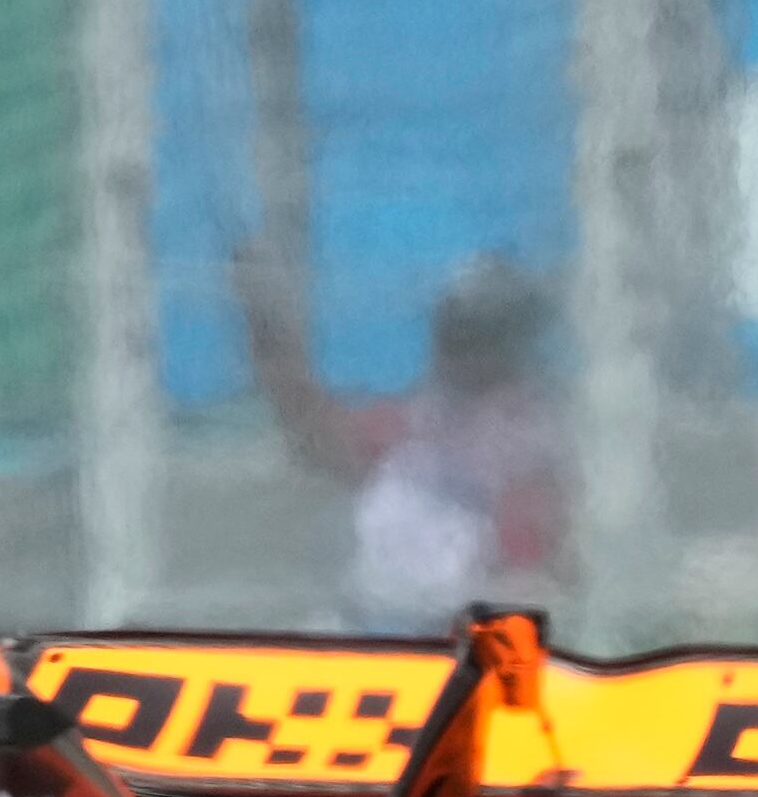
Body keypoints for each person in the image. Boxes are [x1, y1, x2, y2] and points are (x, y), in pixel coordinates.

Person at [241, 245, 566, 635]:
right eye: (455, 332)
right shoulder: (418, 417)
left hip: (459, 633)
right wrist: (266, 329)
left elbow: (531, 569)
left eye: (475, 336)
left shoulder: (530, 441)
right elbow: (315, 435)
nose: (459, 350)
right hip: (373, 624)